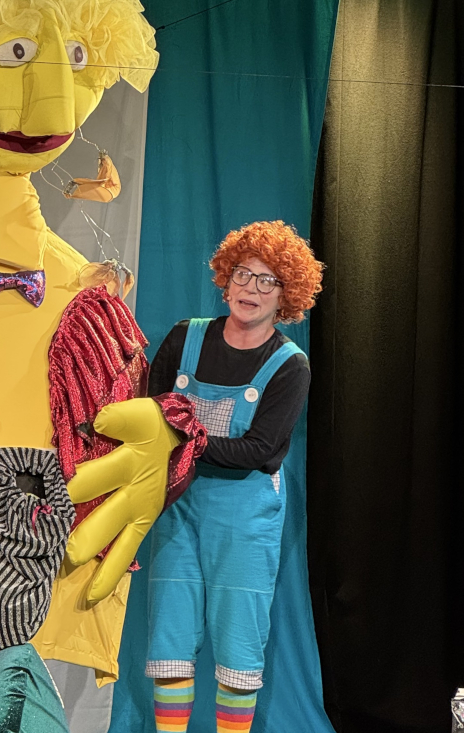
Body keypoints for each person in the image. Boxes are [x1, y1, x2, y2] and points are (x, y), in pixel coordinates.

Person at [145, 220, 324, 733]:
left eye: (268, 280)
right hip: (177, 508)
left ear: (286, 295)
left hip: (245, 518)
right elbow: (147, 414)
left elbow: (259, 452)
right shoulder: (184, 337)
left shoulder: (289, 366)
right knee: (170, 636)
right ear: (226, 280)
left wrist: (182, 440)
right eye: (243, 274)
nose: (252, 288)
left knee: (239, 644)